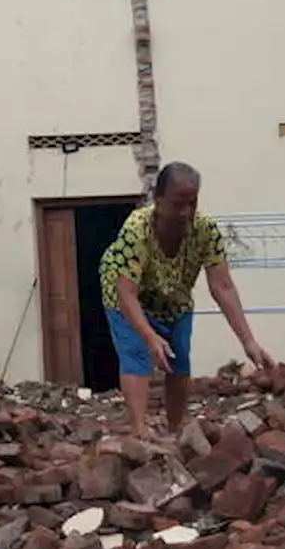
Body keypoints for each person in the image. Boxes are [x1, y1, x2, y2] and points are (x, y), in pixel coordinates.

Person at [99, 162, 274, 439]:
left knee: (178, 358)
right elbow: (126, 292)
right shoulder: (136, 230)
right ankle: (139, 429)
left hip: (175, 297)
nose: (186, 212)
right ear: (158, 200)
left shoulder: (205, 230)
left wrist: (248, 341)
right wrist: (149, 335)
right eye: (178, 204)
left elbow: (223, 286)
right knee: (136, 354)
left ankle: (175, 428)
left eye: (192, 203)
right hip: (126, 296)